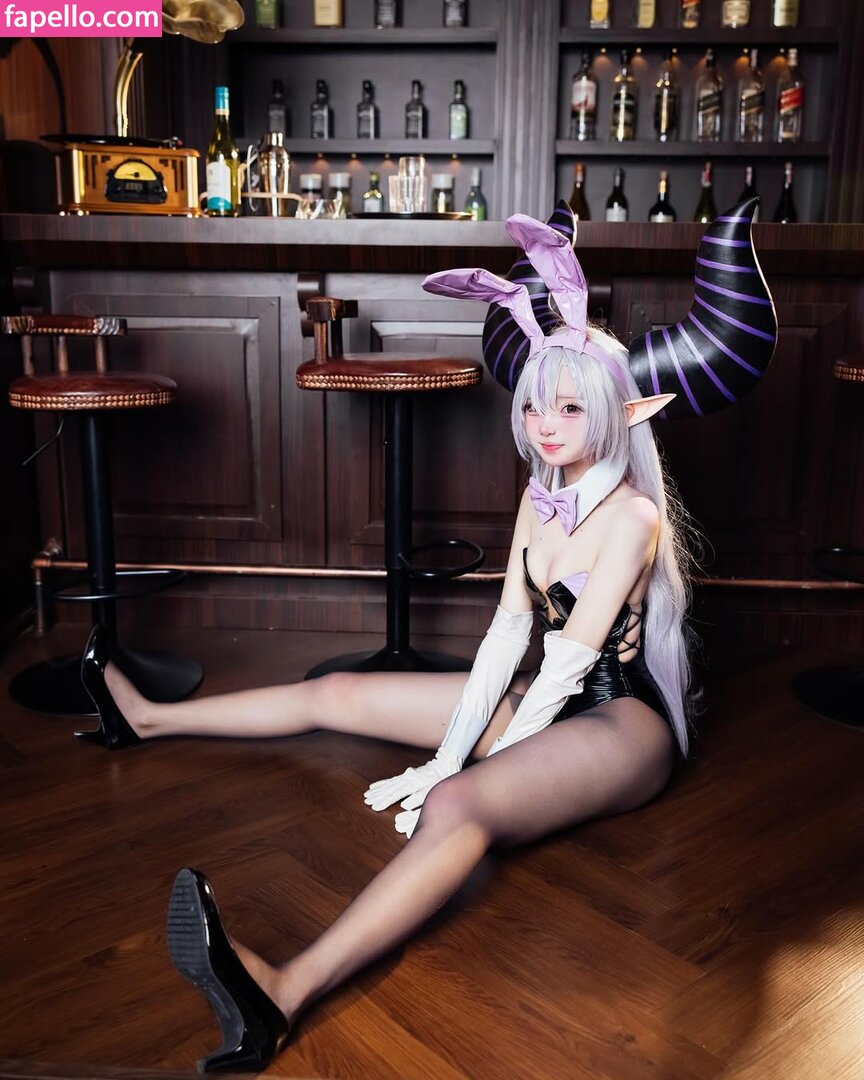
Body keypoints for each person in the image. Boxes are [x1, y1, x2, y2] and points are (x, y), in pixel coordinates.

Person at [77, 202, 776, 1073]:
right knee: (339, 691)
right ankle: (146, 718)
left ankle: (280, 995)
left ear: (614, 412)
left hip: (618, 722)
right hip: (543, 695)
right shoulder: (540, 497)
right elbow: (505, 639)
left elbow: (568, 662)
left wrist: (466, 769)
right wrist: (450, 746)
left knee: (457, 809)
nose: (546, 425)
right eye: (534, 406)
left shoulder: (633, 515)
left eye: (569, 407)